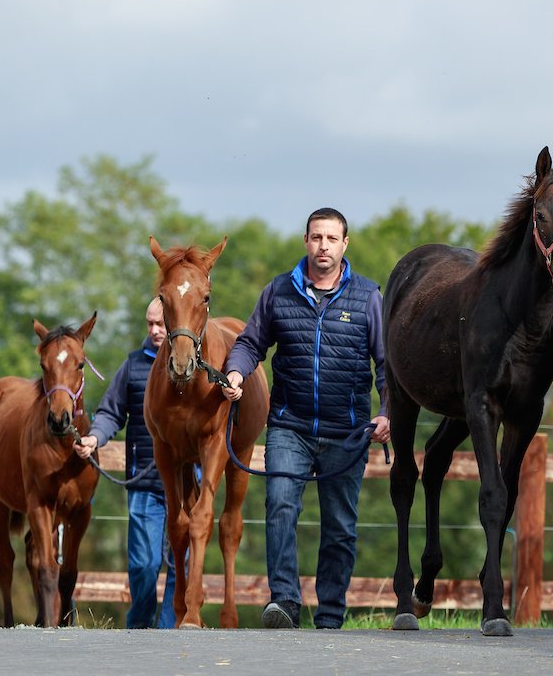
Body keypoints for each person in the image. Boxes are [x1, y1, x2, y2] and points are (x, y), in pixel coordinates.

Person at [220, 207, 391, 630]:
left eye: (331, 239)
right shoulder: (278, 292)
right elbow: (250, 343)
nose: (323, 246)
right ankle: (284, 602)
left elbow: (388, 363)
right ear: (306, 241)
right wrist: (236, 371)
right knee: (279, 506)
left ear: (345, 244)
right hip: (288, 426)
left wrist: (388, 412)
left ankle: (330, 613)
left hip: (347, 431)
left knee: (339, 525)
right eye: (316, 237)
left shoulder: (368, 297)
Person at [73, 297, 178, 629]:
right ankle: (140, 629)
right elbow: (110, 412)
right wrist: (94, 438)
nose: (155, 330)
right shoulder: (133, 365)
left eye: (161, 324)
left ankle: (171, 631)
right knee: (144, 565)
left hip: (187, 484)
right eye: (150, 324)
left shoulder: (194, 366)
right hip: (144, 482)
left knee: (182, 565)